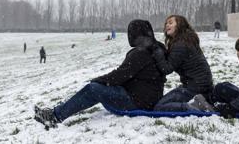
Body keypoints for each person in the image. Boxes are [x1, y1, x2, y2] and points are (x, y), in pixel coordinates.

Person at [34, 19, 166, 129]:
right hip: (150, 97)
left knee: (93, 88)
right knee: (97, 88)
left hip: (137, 101)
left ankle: (55, 116)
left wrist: (98, 80)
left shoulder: (141, 53)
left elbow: (120, 75)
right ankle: (58, 110)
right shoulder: (156, 47)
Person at [152, 15, 214, 111]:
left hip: (195, 88)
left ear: (180, 25)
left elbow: (166, 68)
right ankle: (199, 100)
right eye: (166, 23)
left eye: (171, 22)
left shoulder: (180, 44)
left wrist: (157, 52)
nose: (167, 25)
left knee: (159, 107)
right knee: (165, 102)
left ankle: (191, 106)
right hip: (202, 86)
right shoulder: (185, 40)